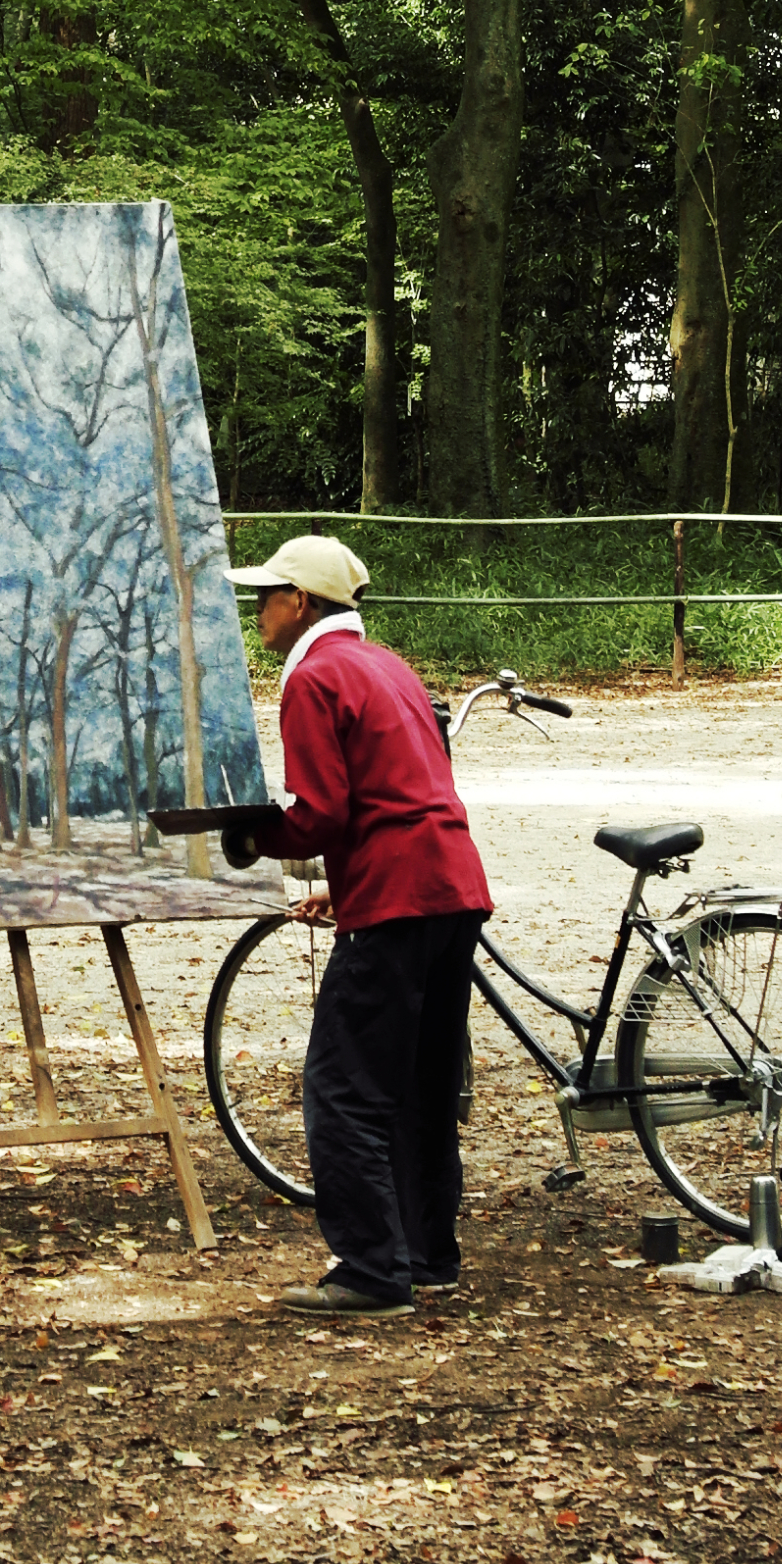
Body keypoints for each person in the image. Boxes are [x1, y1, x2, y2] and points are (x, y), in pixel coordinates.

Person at [232, 531, 492, 1322]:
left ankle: (371, 1270)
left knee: (343, 1088)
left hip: (397, 899)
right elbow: (400, 793)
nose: (258, 610)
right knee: (422, 1084)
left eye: (266, 596)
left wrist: (250, 837)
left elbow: (319, 813)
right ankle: (427, 1255)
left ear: (301, 602)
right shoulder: (389, 666)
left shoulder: (313, 676)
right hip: (450, 885)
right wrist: (349, 893)